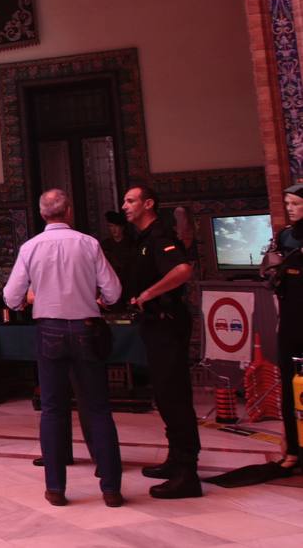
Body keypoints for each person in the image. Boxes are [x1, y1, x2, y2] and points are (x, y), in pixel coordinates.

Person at [5, 189, 124, 507]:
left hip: (50, 331)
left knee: (53, 410)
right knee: (98, 409)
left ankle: (56, 488)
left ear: (42, 214)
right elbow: (113, 292)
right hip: (86, 329)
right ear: (68, 211)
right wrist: (96, 298)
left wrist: (32, 297)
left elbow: (11, 296)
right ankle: (111, 489)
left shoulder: (30, 247)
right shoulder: (89, 244)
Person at [124, 183, 201, 499]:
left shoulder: (159, 236)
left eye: (131, 201)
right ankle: (176, 459)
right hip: (154, 325)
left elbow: (183, 270)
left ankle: (187, 473)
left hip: (167, 323)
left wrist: (148, 294)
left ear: (148, 204)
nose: (125, 206)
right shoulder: (142, 239)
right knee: (165, 395)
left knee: (175, 396)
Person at [262, 182, 303, 474]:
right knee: (289, 384)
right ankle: (292, 448)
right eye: (287, 204)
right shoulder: (285, 236)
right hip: (290, 319)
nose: (290, 209)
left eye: (296, 204)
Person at [98, 210, 134, 309]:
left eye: (116, 226)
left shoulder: (132, 244)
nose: (113, 230)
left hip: (128, 285)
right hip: (111, 285)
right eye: (110, 226)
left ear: (122, 227)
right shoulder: (105, 245)